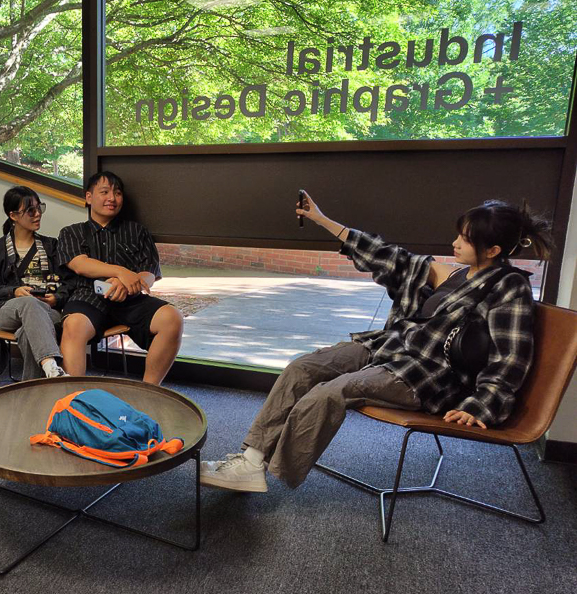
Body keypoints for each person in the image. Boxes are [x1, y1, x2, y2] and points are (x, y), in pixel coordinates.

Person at [200, 194, 553, 493]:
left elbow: (511, 356)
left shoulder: (509, 287)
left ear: (492, 250)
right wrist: (322, 220)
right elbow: (391, 257)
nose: (455, 243)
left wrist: (482, 405)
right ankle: (250, 461)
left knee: (331, 392)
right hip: (389, 348)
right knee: (302, 367)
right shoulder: (458, 272)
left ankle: (265, 469)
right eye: (458, 235)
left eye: (465, 239)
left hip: (425, 376)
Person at [56, 171, 183, 384]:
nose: (112, 198)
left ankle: (149, 391)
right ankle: (73, 396)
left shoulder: (137, 231)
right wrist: (120, 272)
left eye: (117, 193)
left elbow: (150, 273)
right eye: (104, 192)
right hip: (87, 297)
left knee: (172, 318)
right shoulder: (71, 232)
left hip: (130, 299)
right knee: (73, 325)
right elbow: (79, 264)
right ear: (89, 197)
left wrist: (125, 283)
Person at [0, 186, 69, 380]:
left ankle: (36, 386)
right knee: (29, 302)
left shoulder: (51, 246)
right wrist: (14, 291)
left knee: (26, 333)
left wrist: (56, 298)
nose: (37, 214)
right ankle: (51, 366)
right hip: (8, 311)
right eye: (31, 210)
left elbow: (67, 282)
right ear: (13, 215)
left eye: (39, 208)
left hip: (48, 310)